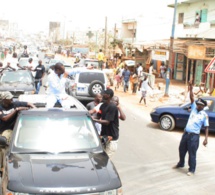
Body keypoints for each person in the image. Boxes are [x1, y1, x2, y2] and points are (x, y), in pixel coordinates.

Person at [173, 80, 209, 176]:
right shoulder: (193, 108)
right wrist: (190, 86)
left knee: (192, 153)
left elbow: (206, 127)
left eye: (199, 105)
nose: (197, 106)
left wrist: (206, 139)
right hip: (186, 134)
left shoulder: (204, 115)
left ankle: (192, 170)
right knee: (181, 149)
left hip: (194, 137)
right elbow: (192, 97)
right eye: (197, 104)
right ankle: (181, 163)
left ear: (203, 106)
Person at [92, 88, 119, 158]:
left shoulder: (112, 107)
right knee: (100, 159)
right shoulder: (102, 106)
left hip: (111, 139)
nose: (102, 95)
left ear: (108, 96)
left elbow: (107, 122)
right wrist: (91, 118)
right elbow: (98, 116)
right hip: (104, 137)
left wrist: (95, 120)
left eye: (104, 94)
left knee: (106, 160)